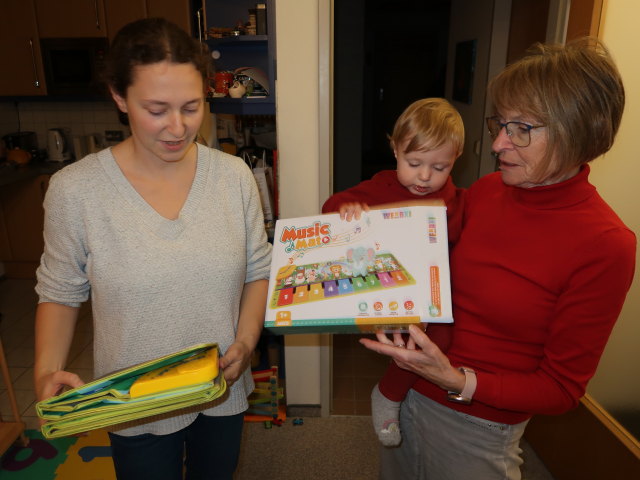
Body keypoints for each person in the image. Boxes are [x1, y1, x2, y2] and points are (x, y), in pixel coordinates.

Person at [360, 38, 636, 480]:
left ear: (577, 130)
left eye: (522, 129)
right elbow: (437, 275)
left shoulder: (606, 244)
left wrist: (457, 380)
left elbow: (562, 388)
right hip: (408, 387)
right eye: (500, 124)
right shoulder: (487, 192)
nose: (498, 144)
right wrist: (389, 303)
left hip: (479, 423)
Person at [33, 18, 272, 480]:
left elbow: (257, 270)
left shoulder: (232, 177)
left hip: (220, 386)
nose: (178, 128)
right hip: (133, 399)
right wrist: (46, 371)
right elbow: (60, 293)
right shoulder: (75, 191)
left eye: (192, 106)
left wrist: (246, 340)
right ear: (120, 98)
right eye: (157, 109)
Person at [322, 98, 466, 446]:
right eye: (414, 163)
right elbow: (330, 208)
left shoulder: (458, 200)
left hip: (430, 292)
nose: (425, 176)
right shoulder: (381, 186)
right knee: (402, 344)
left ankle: (388, 393)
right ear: (395, 150)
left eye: (439, 167)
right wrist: (349, 210)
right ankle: (393, 394)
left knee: (439, 341)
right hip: (385, 287)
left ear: (455, 161)